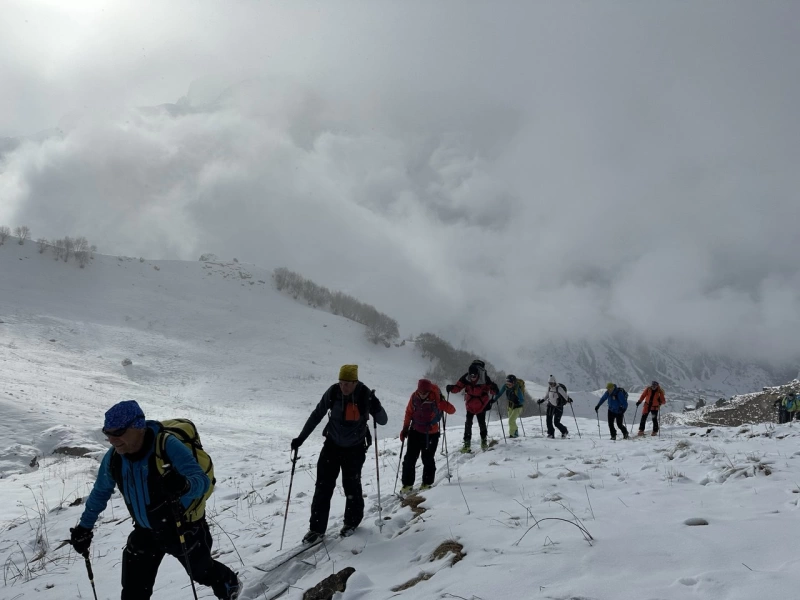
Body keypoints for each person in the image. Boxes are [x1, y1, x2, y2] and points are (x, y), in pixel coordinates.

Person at [69, 400, 241, 600]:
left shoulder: (167, 445)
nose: (112, 440)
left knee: (202, 573)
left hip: (183, 526)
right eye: (107, 433)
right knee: (133, 592)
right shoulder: (113, 458)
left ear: (138, 426)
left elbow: (201, 481)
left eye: (118, 432)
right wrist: (84, 527)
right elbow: (100, 492)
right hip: (145, 530)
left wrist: (184, 485)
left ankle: (229, 582)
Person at [291, 365, 387, 543]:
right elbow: (317, 414)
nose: (343, 387)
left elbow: (383, 421)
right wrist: (301, 438)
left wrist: (376, 406)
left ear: (355, 382)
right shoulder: (333, 392)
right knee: (323, 486)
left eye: (347, 384)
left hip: (355, 449)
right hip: (332, 446)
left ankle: (351, 523)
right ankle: (316, 529)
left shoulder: (365, 395)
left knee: (351, 487)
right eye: (341, 383)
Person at [399, 379, 456, 493]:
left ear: (429, 390)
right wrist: (405, 428)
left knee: (427, 458)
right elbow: (409, 412)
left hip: (431, 433)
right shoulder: (414, 397)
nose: (422, 394)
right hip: (415, 431)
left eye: (424, 392)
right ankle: (407, 485)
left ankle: (427, 483)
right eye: (420, 392)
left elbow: (452, 410)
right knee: (410, 458)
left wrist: (443, 404)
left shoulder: (436, 398)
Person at [446, 359, 499, 453]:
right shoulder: (466, 378)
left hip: (481, 405)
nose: (472, 377)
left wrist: (495, 389)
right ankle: (467, 444)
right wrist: (451, 388)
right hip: (470, 405)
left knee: (481, 423)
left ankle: (483, 441)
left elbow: (492, 391)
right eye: (471, 375)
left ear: (478, 373)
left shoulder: (485, 379)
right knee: (468, 424)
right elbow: (458, 387)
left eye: (474, 375)